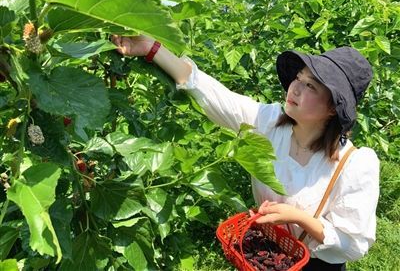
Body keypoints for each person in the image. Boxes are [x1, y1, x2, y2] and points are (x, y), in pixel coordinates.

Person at [111, 35, 379, 271]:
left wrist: (299, 218)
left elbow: (353, 245)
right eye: (299, 78)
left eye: (311, 86)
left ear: (334, 108)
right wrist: (151, 48)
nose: (295, 88)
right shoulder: (270, 122)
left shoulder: (354, 164)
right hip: (263, 256)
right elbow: (209, 91)